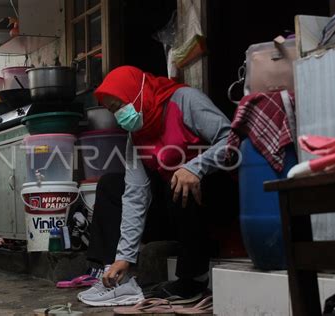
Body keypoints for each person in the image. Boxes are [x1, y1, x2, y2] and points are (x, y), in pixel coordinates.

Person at [78, 66, 238, 306]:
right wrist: (125, 257)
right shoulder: (136, 133)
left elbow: (231, 141)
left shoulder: (185, 100)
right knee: (111, 185)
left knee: (178, 177)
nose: (119, 115)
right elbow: (135, 194)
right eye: (113, 111)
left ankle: (193, 278)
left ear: (137, 93)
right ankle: (118, 277)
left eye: (119, 105)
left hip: (214, 198)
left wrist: (196, 167)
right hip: (175, 210)